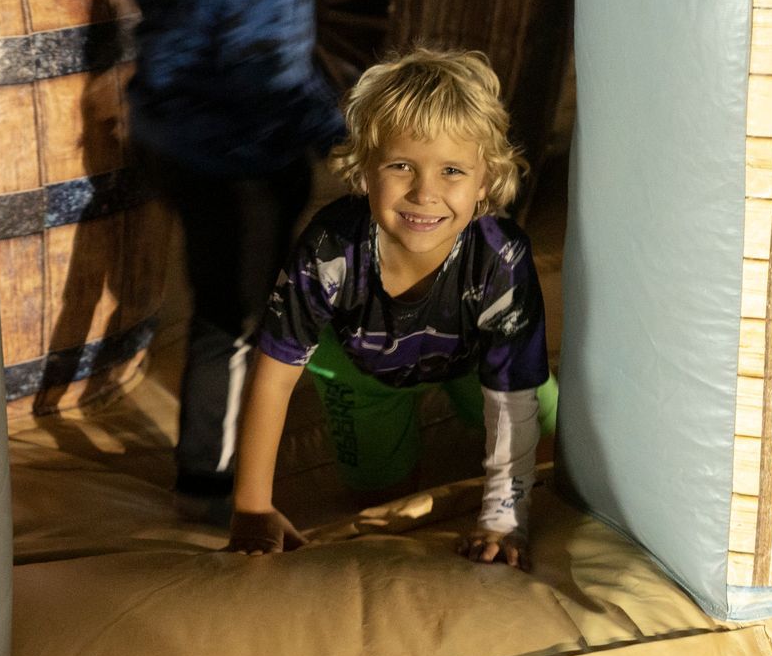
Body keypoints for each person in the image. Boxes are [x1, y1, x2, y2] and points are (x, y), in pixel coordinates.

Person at [223, 47, 559, 567]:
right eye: (402, 166)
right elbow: (274, 376)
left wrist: (502, 519)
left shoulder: (499, 255)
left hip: (474, 361)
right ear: (363, 173)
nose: (425, 193)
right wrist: (251, 507)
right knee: (379, 500)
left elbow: (513, 392)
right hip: (365, 373)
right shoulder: (330, 249)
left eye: (452, 170)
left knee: (553, 436)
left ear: (485, 182)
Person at [120, 0, 345, 518]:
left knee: (218, 304)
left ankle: (217, 465)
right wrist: (345, 138)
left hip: (173, 136)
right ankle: (209, 484)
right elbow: (267, 67)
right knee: (234, 324)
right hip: (243, 155)